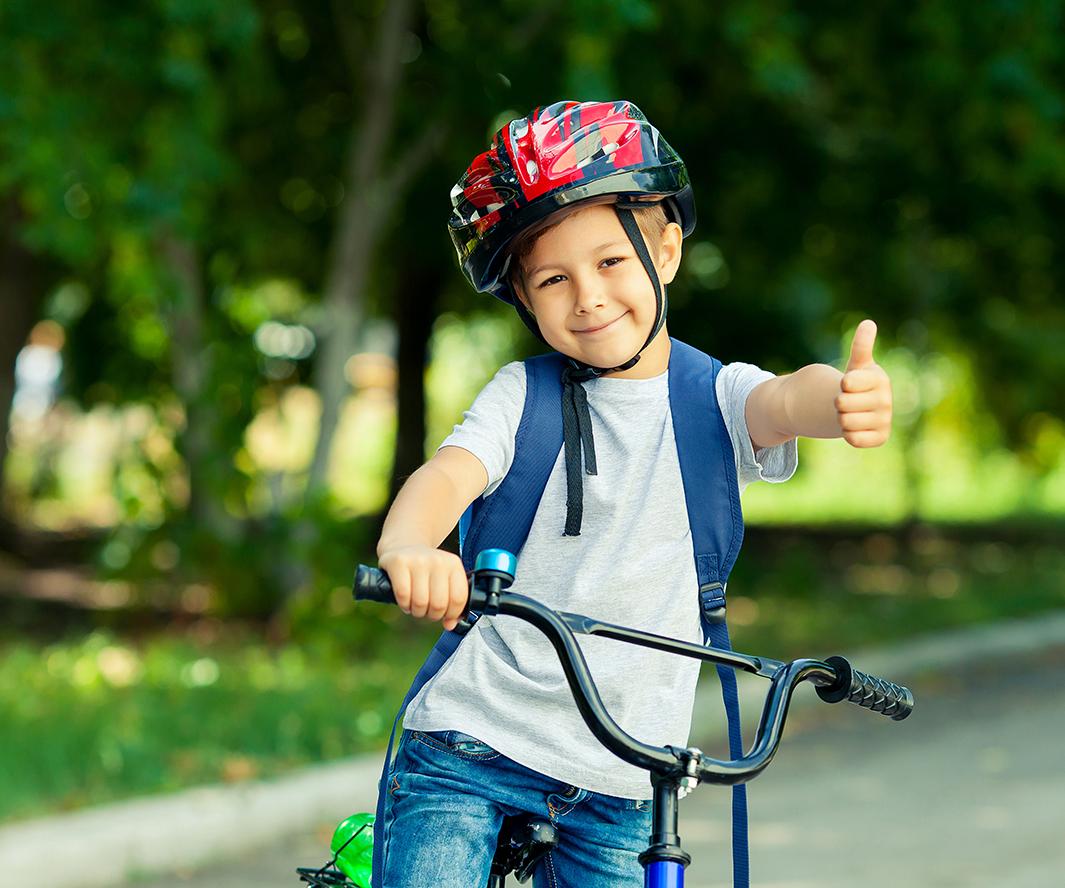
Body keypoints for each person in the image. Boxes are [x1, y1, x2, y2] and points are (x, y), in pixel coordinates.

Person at [371, 100, 892, 887]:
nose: (587, 296)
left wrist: (840, 400)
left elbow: (784, 400)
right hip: (474, 746)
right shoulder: (521, 396)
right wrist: (411, 547)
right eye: (552, 278)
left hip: (627, 774)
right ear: (521, 297)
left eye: (611, 263)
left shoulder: (711, 395)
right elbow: (447, 475)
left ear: (667, 251)